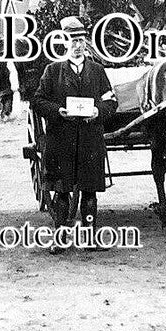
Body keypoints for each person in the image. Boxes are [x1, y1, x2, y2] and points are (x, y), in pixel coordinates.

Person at [31, 17, 118, 254]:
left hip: (90, 139)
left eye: (80, 40)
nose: (76, 45)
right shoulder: (53, 71)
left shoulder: (97, 71)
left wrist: (98, 111)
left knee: (89, 192)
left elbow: (111, 101)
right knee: (61, 191)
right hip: (62, 140)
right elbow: (37, 101)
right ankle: (60, 239)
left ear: (85, 42)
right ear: (63, 41)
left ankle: (89, 238)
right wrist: (58, 111)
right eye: (71, 40)